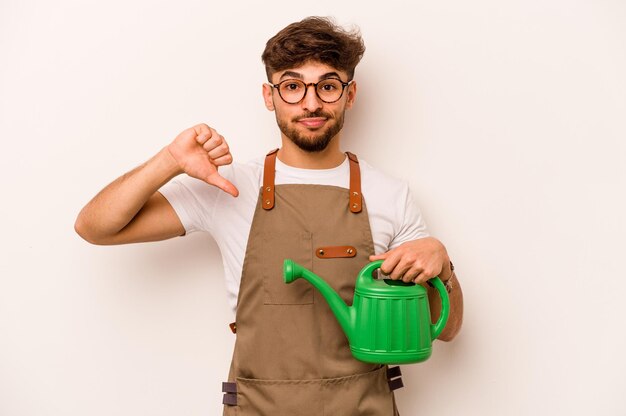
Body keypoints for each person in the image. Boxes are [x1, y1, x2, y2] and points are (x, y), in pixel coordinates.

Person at [75, 16, 463, 415]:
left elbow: (447, 330)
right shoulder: (227, 186)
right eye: (293, 86)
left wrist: (442, 267)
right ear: (269, 95)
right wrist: (168, 160)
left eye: (328, 86)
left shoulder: (389, 195)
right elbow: (95, 227)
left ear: (349, 95)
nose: (311, 103)